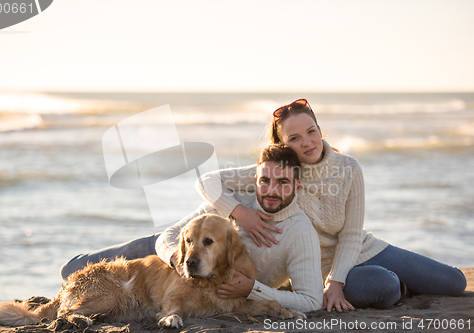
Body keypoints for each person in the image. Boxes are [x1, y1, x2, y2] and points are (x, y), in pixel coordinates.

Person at [195, 98, 467, 312]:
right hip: (319, 267)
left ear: (320, 130)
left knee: (455, 283)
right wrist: (241, 214)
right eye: (295, 138)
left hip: (362, 249)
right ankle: (401, 286)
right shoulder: (282, 173)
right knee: (385, 286)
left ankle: (396, 280)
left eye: (311, 131)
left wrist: (337, 282)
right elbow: (207, 181)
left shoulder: (349, 168)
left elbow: (350, 235)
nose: (307, 142)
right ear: (284, 144)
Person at [62, 144, 324, 313]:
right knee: (73, 272)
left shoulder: (300, 234)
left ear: (297, 187)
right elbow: (168, 236)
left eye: (283, 183)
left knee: (90, 292)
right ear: (254, 180)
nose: (271, 190)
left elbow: (312, 301)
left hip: (190, 266)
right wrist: (181, 259)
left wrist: (252, 289)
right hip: (171, 250)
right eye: (265, 180)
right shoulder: (235, 201)